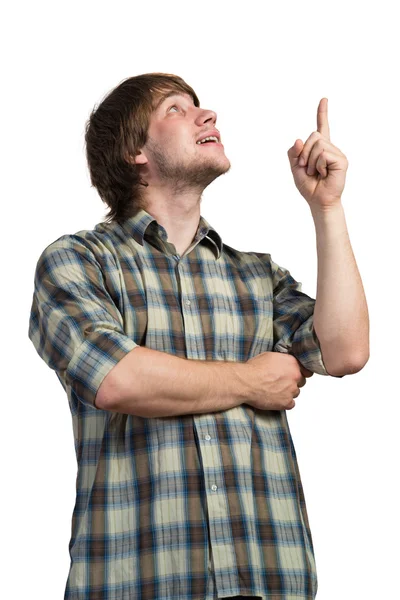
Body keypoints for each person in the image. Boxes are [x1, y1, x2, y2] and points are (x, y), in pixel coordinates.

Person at [28, 73, 369, 600]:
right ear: (135, 152)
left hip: (266, 579)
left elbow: (346, 351)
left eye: (201, 107)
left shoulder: (257, 276)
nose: (207, 116)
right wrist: (254, 381)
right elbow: (119, 379)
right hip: (137, 583)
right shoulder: (78, 261)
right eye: (177, 109)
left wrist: (326, 208)